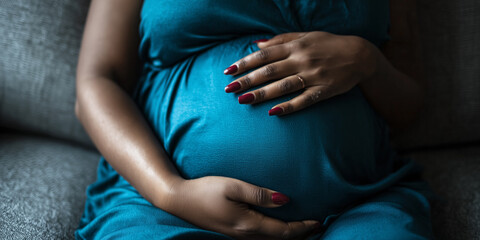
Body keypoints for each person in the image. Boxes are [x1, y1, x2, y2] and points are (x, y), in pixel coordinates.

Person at [74, 0, 434, 239]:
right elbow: (97, 81)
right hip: (164, 205)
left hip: (358, 204)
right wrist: (170, 191)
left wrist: (366, 61)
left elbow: (408, 107)